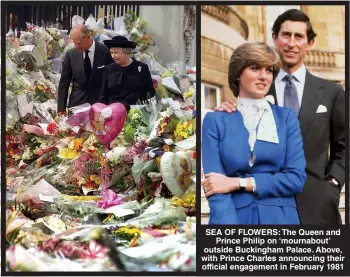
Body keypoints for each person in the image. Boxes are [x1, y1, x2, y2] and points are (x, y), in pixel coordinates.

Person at [215, 9, 345, 224]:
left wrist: (332, 183)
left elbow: (343, 146)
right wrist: (230, 108)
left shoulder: (332, 92)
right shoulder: (257, 87)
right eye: (286, 35)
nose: (291, 43)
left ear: (309, 43)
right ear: (275, 38)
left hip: (318, 204)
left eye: (299, 37)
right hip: (265, 203)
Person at [202, 41, 307, 225]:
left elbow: (295, 179)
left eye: (269, 71)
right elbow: (215, 187)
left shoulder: (286, 119)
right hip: (233, 218)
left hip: (281, 219)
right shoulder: (215, 121)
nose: (263, 77)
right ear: (237, 74)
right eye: (255, 68)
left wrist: (236, 183)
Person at [57, 24, 114, 113]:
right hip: (77, 105)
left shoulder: (105, 52)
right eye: (74, 43)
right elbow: (64, 84)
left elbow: (111, 82)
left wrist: (110, 106)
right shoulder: (71, 55)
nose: (77, 46)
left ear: (88, 36)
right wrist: (61, 110)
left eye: (78, 43)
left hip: (99, 105)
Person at [99, 36, 156, 109]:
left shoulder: (142, 68)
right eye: (111, 53)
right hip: (113, 114)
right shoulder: (109, 69)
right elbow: (103, 96)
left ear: (126, 52)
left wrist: (137, 96)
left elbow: (151, 92)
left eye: (116, 52)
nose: (113, 56)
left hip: (135, 113)